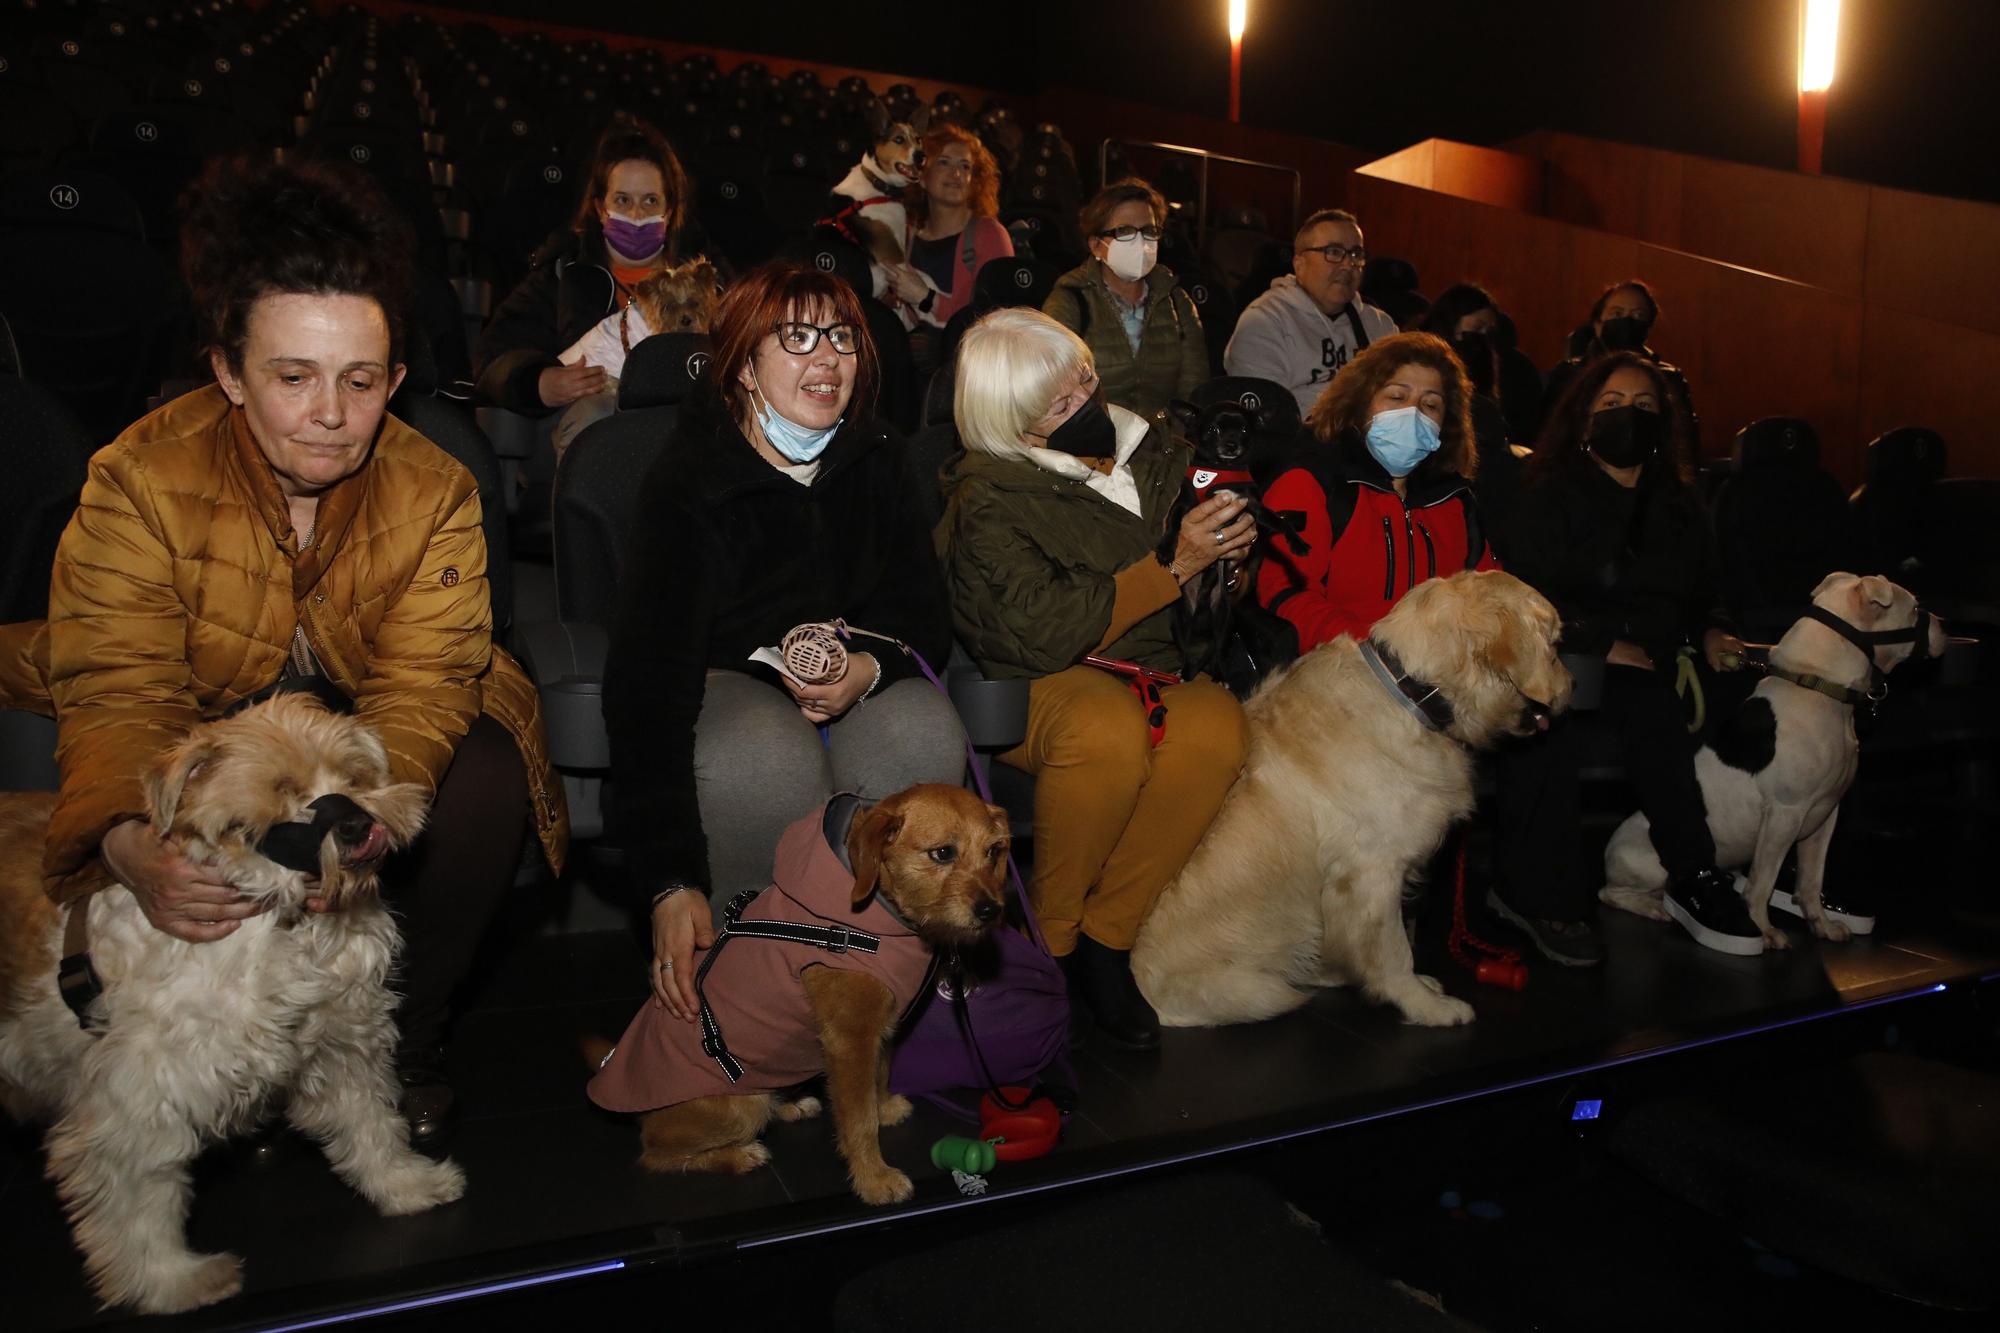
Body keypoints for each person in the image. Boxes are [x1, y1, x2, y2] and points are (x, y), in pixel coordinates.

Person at [0, 156, 568, 1144]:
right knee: (198, 802)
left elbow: (426, 683)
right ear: (227, 370)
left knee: (482, 770)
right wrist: (126, 839)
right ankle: (226, 1051)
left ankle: (400, 1042)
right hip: (198, 711)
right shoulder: (137, 476)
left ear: (394, 381)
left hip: (350, 719)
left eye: (359, 381)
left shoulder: (434, 487)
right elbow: (121, 689)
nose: (330, 412)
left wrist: (371, 812)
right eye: (292, 376)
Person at [602, 262, 965, 1027]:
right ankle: (746, 1004)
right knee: (763, 754)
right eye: (795, 338)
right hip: (728, 692)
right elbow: (646, 686)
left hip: (851, 680)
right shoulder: (688, 479)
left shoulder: (879, 458)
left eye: (841, 338)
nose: (826, 358)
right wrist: (668, 879)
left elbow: (924, 618)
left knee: (926, 727)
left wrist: (870, 668)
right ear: (742, 364)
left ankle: (878, 1005)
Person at [937, 307, 1252, 1050]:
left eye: (1086, 379)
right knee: (1106, 731)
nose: (1089, 405)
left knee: (1216, 728)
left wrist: (1232, 556)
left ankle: (1111, 939)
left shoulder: (1155, 449)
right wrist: (1177, 565)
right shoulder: (986, 495)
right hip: (1040, 674)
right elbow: (1038, 630)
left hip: (1150, 660)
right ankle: (1053, 941)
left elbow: (1207, 588)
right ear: (1011, 420)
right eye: (1062, 403)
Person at [1490, 352, 1757, 963]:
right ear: (1584, 419)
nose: (1627, 417)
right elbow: (1523, 589)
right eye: (1610, 405)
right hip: (1570, 658)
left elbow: (1706, 590)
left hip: (1663, 658)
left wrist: (1715, 630)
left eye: (1643, 406)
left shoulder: (1681, 502)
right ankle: (1567, 893)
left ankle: (1746, 873)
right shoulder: (1548, 494)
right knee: (1626, 711)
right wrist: (1602, 640)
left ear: (1664, 421)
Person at [1256, 332, 1497, 653]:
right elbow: (1284, 592)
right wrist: (1377, 652)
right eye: (1397, 397)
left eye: (1430, 404)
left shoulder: (1454, 499)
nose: (1413, 413)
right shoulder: (1312, 479)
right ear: (1360, 403)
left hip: (1439, 678)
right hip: (1333, 669)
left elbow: (1487, 597)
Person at [473, 113, 705, 441]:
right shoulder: (561, 275)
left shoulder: (708, 283)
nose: (637, 215)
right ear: (599, 208)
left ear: (668, 211)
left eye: (650, 201)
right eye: (622, 200)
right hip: (583, 428)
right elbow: (493, 356)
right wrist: (537, 381)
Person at [1041, 178, 1208, 420]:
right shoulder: (1069, 300)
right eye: (1125, 231)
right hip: (1092, 443)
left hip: (1162, 445)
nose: (1141, 243)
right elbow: (1054, 390)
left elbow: (1193, 388)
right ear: (1096, 245)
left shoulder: (1177, 302)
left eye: (1149, 231)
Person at [1224, 208, 1397, 417]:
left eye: (1356, 254)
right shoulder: (1263, 323)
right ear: (1300, 263)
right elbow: (1267, 416)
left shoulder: (1379, 325)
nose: (1347, 264)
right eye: (1333, 252)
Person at [894, 123, 1013, 333]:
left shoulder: (990, 234)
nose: (956, 173)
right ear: (921, 176)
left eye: (965, 166)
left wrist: (926, 297)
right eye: (944, 163)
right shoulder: (905, 233)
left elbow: (995, 320)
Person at [1539, 280, 1695, 430]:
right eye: (1617, 313)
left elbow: (1684, 439)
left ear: (1648, 327)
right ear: (1598, 324)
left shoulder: (1669, 378)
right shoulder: (1568, 373)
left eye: (1638, 315)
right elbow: (1548, 432)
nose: (1627, 320)